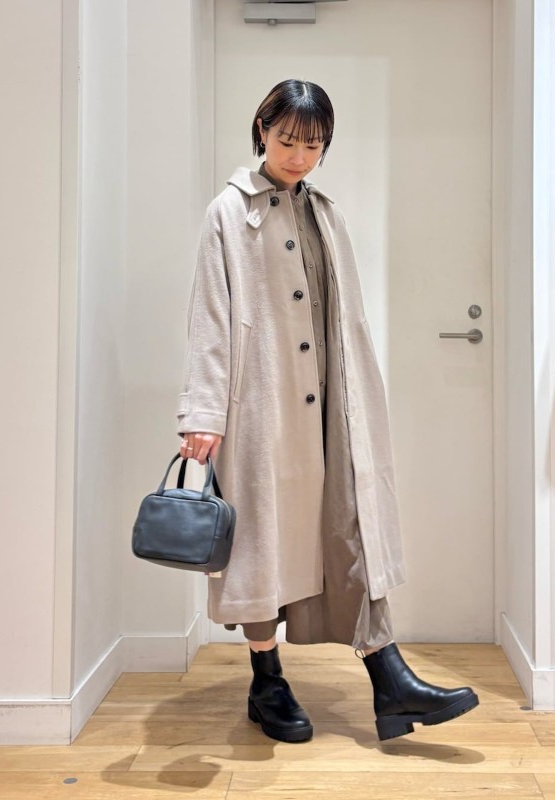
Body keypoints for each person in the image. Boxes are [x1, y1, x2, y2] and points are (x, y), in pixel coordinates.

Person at [176, 79, 479, 743]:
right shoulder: (228, 212)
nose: (298, 156)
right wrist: (202, 411)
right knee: (261, 543)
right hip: (262, 407)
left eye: (312, 145)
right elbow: (211, 317)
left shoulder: (325, 212)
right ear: (261, 130)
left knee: (350, 525)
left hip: (334, 404)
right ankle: (266, 681)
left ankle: (389, 678)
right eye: (287, 140)